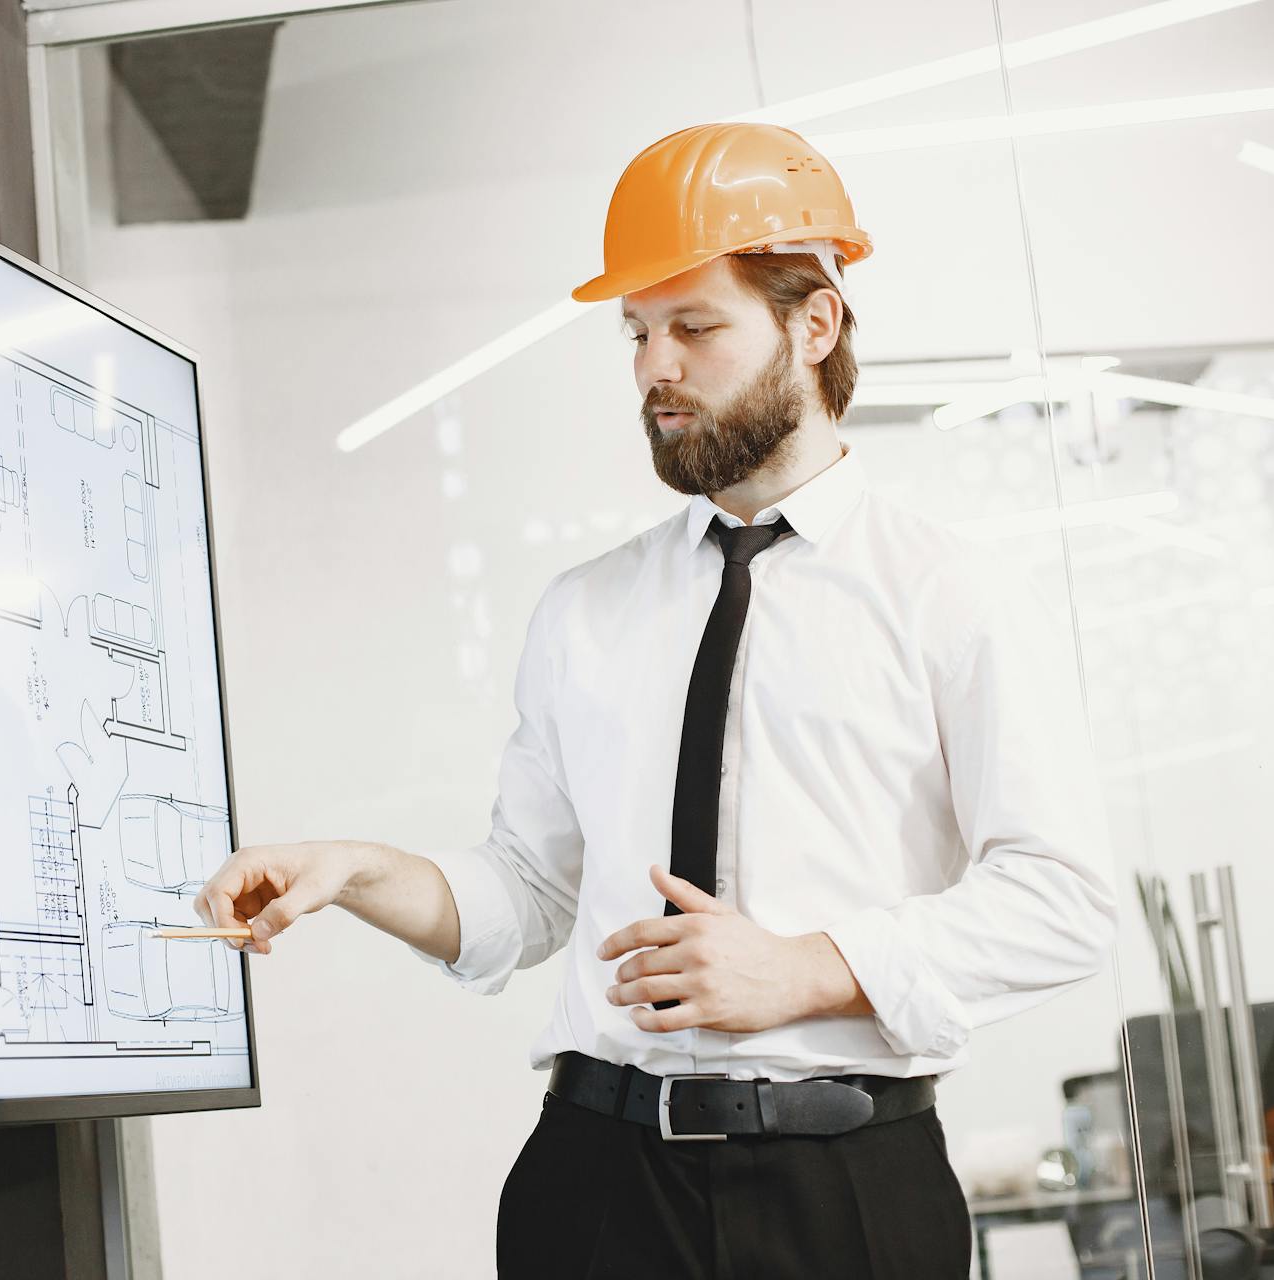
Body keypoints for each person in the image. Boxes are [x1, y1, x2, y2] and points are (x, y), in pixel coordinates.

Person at [194, 122, 1117, 1279]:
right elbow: (530, 895)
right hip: (595, 1181)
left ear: (812, 322)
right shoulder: (587, 609)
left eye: (695, 326)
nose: (653, 369)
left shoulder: (951, 593)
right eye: (636, 333)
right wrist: (357, 870)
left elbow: (1062, 898)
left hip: (848, 1191)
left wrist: (811, 965)